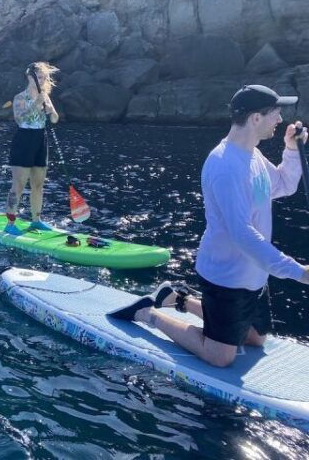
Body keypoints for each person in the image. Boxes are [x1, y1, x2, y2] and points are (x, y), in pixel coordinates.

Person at [108, 85, 309, 368]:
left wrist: (291, 150)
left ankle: (175, 298)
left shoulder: (253, 156)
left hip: (253, 274)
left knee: (255, 338)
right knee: (220, 356)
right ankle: (147, 313)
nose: (280, 119)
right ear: (255, 118)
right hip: (227, 277)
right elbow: (242, 234)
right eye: (275, 113)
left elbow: (283, 185)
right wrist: (298, 272)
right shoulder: (226, 166)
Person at [4, 62, 60, 235]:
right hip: (24, 140)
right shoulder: (20, 97)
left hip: (40, 139)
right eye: (40, 77)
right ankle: (10, 223)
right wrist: (37, 103)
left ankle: (36, 221)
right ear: (30, 77)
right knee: (19, 185)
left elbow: (55, 120)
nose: (42, 81)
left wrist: (51, 111)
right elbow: (20, 119)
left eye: (45, 78)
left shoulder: (45, 96)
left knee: (38, 184)